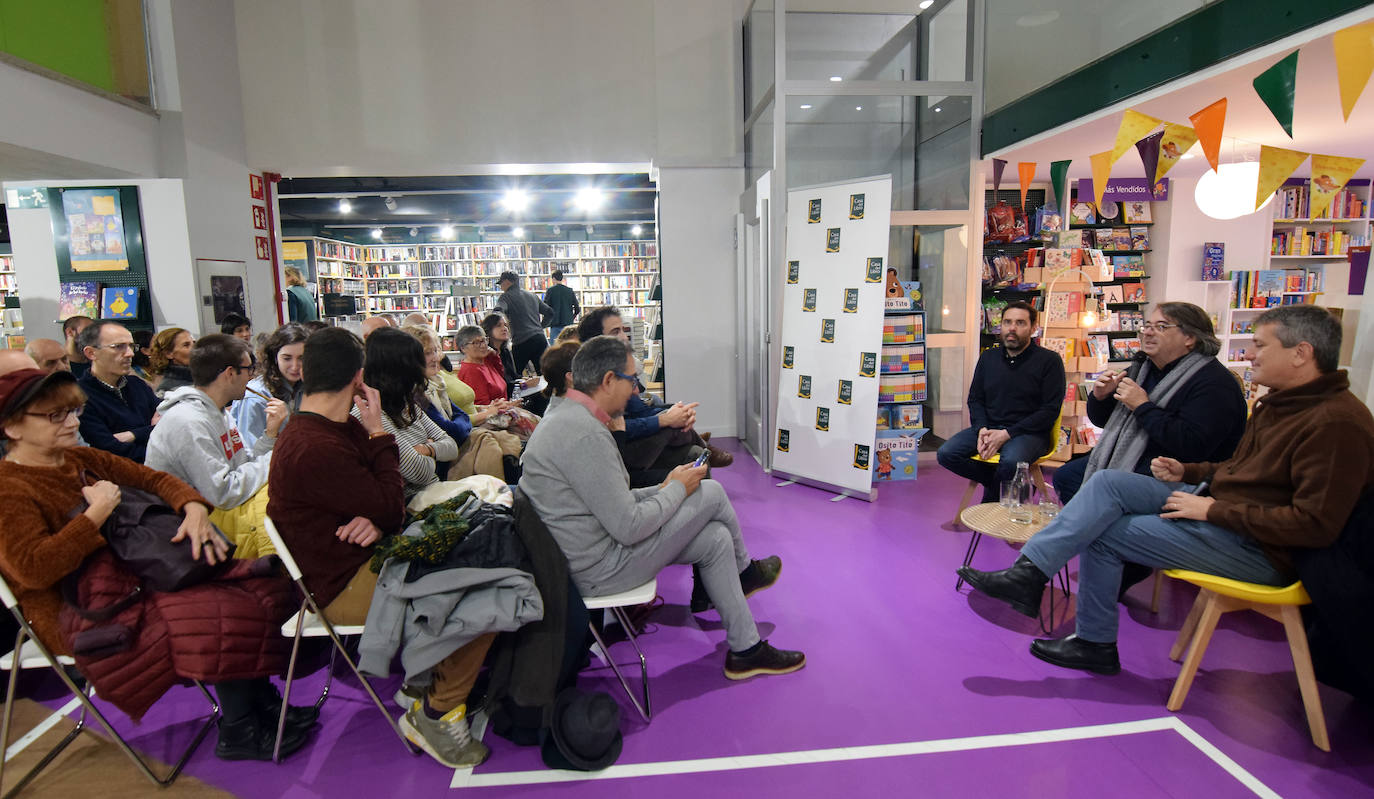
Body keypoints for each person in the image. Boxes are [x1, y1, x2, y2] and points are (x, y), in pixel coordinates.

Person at [958, 305, 1374, 676]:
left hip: (1260, 547)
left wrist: (1209, 510)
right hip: (1222, 506)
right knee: (1103, 483)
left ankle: (1088, 637)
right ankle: (1031, 577)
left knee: (1100, 532)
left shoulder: (1334, 423)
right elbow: (1242, 470)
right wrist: (1188, 470)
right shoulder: (1280, 404)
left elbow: (1313, 526)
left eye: (1261, 346)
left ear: (1301, 354)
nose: (1250, 354)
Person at [0, 367, 317, 761]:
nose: (72, 422)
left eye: (73, 412)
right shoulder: (10, 489)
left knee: (255, 584)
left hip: (129, 577)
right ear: (12, 427)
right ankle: (239, 728)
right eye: (56, 415)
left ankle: (261, 705)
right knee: (218, 609)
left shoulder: (78, 457)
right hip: (74, 606)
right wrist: (95, 515)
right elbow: (34, 569)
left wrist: (193, 507)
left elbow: (154, 478)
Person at [267, 327, 494, 768]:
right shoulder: (317, 442)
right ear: (358, 376)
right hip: (344, 586)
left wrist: (377, 508)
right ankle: (438, 711)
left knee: (485, 546)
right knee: (486, 587)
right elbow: (391, 504)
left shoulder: (328, 427)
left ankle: (425, 682)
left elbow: (387, 504)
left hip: (368, 559)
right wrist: (377, 438)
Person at [521, 335, 805, 680]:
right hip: (598, 570)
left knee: (715, 539)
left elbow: (613, 501)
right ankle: (746, 573)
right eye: (631, 380)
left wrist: (666, 486)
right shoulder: (584, 434)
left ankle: (747, 650)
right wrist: (674, 490)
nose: (636, 389)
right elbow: (629, 526)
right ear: (608, 380)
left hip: (587, 556)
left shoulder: (569, 418)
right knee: (711, 492)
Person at [1053, 303, 1246, 505]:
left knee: (1098, 486)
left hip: (1178, 473)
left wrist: (1142, 406)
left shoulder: (1214, 383)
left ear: (1190, 338)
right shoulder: (1141, 369)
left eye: (1161, 327)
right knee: (1068, 477)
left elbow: (1191, 446)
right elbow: (1103, 420)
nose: (1149, 333)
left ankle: (1108, 532)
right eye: (1147, 326)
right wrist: (1100, 397)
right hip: (1133, 458)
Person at [146, 334, 287, 559]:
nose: (251, 377)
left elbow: (244, 464)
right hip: (185, 528)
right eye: (249, 370)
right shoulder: (188, 421)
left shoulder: (218, 412)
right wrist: (277, 458)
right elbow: (224, 492)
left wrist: (271, 435)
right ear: (230, 373)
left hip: (219, 512)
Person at [936, 301, 1065, 502]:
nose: (1012, 328)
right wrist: (981, 430)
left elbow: (1049, 411)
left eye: (1020, 323)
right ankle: (1000, 484)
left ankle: (992, 498)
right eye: (1007, 322)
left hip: (1028, 433)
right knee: (946, 454)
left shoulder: (1050, 361)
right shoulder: (988, 357)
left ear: (1033, 328)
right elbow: (975, 399)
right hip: (990, 427)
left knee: (1011, 462)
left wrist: (1006, 434)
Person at [579, 305, 729, 470]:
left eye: (623, 329)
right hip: (620, 453)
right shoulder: (593, 378)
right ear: (596, 340)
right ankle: (705, 448)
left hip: (630, 441)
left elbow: (638, 410)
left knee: (676, 417)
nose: (624, 336)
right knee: (675, 428)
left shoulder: (617, 366)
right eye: (615, 332)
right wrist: (664, 419)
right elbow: (612, 427)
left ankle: (701, 447)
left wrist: (675, 412)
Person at [76, 321, 160, 463]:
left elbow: (170, 424)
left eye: (132, 346)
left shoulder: (137, 385)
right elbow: (111, 451)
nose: (130, 353)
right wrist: (153, 433)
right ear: (91, 353)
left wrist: (133, 434)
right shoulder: (79, 396)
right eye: (119, 347)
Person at [234, 323, 309, 448]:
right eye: (287, 358)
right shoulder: (256, 395)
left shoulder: (305, 387)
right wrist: (271, 434)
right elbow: (250, 454)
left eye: (302, 358)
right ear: (275, 357)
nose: (295, 366)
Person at [494, 271, 553, 375]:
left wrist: (495, 325)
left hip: (522, 341)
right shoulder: (532, 295)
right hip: (540, 339)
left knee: (514, 375)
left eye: (501, 284)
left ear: (507, 282)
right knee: (545, 375)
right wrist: (540, 326)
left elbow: (498, 311)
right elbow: (550, 313)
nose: (501, 287)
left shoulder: (506, 297)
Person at [458, 323, 515, 406]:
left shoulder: (486, 360)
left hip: (504, 408)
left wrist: (494, 356)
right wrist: (510, 406)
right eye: (476, 343)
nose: (483, 345)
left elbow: (501, 375)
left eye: (484, 340)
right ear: (463, 348)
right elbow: (484, 407)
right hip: (495, 415)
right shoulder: (471, 371)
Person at [147, 327, 196, 396]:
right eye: (186, 345)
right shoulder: (168, 391)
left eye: (194, 342)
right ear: (168, 354)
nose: (195, 348)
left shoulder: (201, 377)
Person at [543, 268, 580, 344]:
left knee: (554, 348)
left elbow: (545, 307)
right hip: (568, 324)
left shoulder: (550, 291)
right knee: (569, 346)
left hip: (555, 324)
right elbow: (577, 309)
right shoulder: (569, 291)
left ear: (553, 278)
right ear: (562, 278)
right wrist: (571, 317)